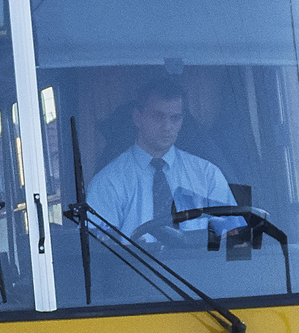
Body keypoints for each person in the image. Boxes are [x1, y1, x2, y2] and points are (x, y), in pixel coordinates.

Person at [86, 78, 233, 240]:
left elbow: (232, 239)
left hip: (200, 265)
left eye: (175, 118)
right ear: (137, 117)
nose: (167, 127)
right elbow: (100, 252)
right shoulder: (108, 183)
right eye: (158, 116)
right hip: (135, 266)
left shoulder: (208, 176)